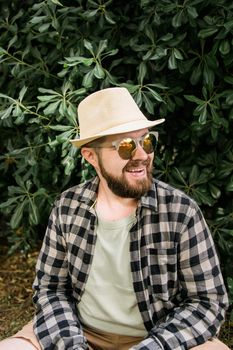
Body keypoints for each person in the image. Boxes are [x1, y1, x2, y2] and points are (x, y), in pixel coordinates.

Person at [0, 87, 230, 350]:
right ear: (90, 156)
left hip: (158, 336)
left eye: (146, 141)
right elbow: (51, 289)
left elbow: (207, 302)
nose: (142, 155)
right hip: (80, 332)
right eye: (126, 146)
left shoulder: (180, 211)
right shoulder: (67, 206)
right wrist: (73, 345)